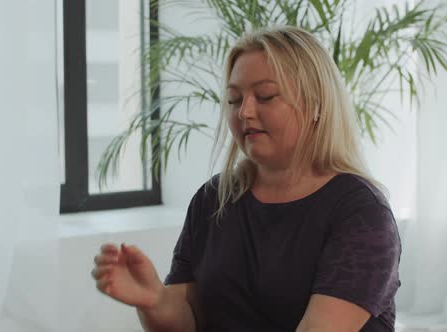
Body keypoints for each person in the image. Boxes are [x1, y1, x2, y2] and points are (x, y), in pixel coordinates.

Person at [91, 26, 401, 332]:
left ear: (316, 103)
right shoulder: (213, 198)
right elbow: (187, 319)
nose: (245, 112)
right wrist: (155, 301)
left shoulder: (361, 211)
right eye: (234, 100)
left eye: (265, 96)